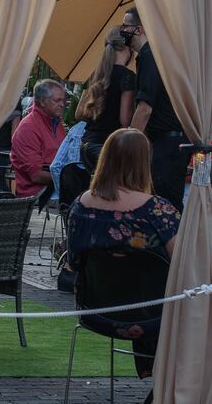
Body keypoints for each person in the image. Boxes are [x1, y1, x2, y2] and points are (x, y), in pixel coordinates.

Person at [65, 128, 179, 372]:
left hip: (96, 309)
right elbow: (182, 264)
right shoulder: (158, 211)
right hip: (155, 315)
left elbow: (73, 262)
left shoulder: (80, 208)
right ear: (143, 162)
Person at [123, 7, 190, 209]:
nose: (122, 30)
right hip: (170, 142)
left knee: (163, 204)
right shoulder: (155, 54)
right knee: (164, 202)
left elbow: (145, 108)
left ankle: (172, 241)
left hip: (166, 143)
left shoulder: (151, 55)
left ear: (139, 29)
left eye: (126, 25)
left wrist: (128, 144)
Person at [75, 28, 137, 170]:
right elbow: (125, 120)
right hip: (105, 146)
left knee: (96, 189)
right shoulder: (128, 76)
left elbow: (79, 113)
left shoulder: (96, 74)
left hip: (86, 144)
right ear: (128, 47)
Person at [10, 79, 68, 198]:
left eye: (63, 100)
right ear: (42, 101)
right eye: (57, 100)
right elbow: (36, 175)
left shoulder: (57, 124)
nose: (62, 104)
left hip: (57, 189)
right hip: (37, 195)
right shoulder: (28, 128)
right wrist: (69, 179)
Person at [49, 119, 87, 202]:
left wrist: (64, 197)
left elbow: (55, 166)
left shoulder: (76, 129)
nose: (62, 105)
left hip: (73, 200)